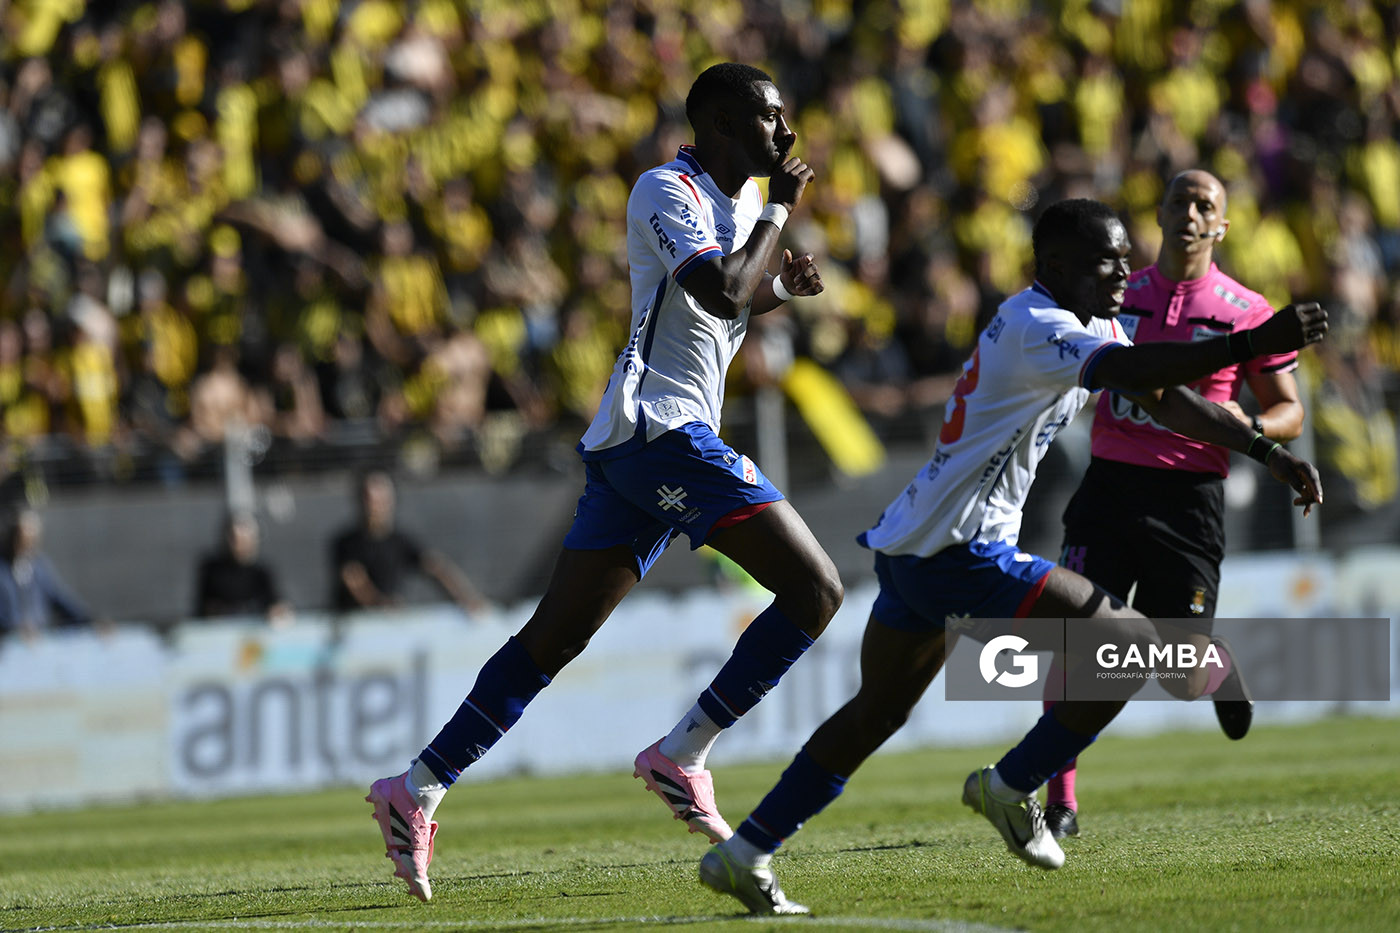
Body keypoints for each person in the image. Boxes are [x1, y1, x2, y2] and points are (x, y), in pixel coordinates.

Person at [697, 198, 1327, 915]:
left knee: (875, 713)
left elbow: (1170, 399)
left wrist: (1265, 449)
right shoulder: (1040, 325)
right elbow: (1146, 365)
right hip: (964, 550)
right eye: (1107, 262)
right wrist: (1251, 344)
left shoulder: (1086, 320)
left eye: (1125, 259)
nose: (1124, 273)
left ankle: (746, 850)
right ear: (1055, 265)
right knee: (1129, 645)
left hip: (914, 544)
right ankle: (1012, 783)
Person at [365, 62, 842, 902]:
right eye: (772, 118)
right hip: (665, 434)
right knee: (816, 588)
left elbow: (728, 304)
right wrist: (777, 214)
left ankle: (418, 786)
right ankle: (682, 752)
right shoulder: (665, 189)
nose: (786, 134)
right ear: (725, 122)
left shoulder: (728, 202)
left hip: (642, 444)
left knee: (553, 639)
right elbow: (718, 291)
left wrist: (780, 290)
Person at [1042, 170, 1305, 840]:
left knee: (1176, 671)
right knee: (1074, 638)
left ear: (1222, 224)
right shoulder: (1115, 296)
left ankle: (1216, 669)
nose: (1189, 213)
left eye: (1204, 205)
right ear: (1157, 214)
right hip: (1107, 485)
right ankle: (1060, 800)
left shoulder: (1246, 311)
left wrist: (1238, 426)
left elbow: (1288, 411)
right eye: (1179, 201)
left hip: (1188, 500)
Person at [331, 468, 487, 615]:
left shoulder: (401, 541)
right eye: (370, 500)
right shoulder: (346, 543)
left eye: (381, 501)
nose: (375, 507)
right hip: (355, 629)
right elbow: (354, 579)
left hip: (389, 625)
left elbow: (435, 567)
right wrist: (380, 604)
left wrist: (465, 598)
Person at [0, 507, 105, 641]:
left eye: (31, 539)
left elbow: (59, 598)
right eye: (21, 538)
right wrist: (13, 628)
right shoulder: (2, 569)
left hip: (38, 644)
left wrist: (90, 621)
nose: (26, 544)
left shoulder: (38, 567)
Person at [194, 510, 292, 625]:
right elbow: (202, 611)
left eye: (244, 539)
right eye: (234, 539)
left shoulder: (262, 573)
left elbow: (277, 606)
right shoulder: (212, 571)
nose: (239, 545)